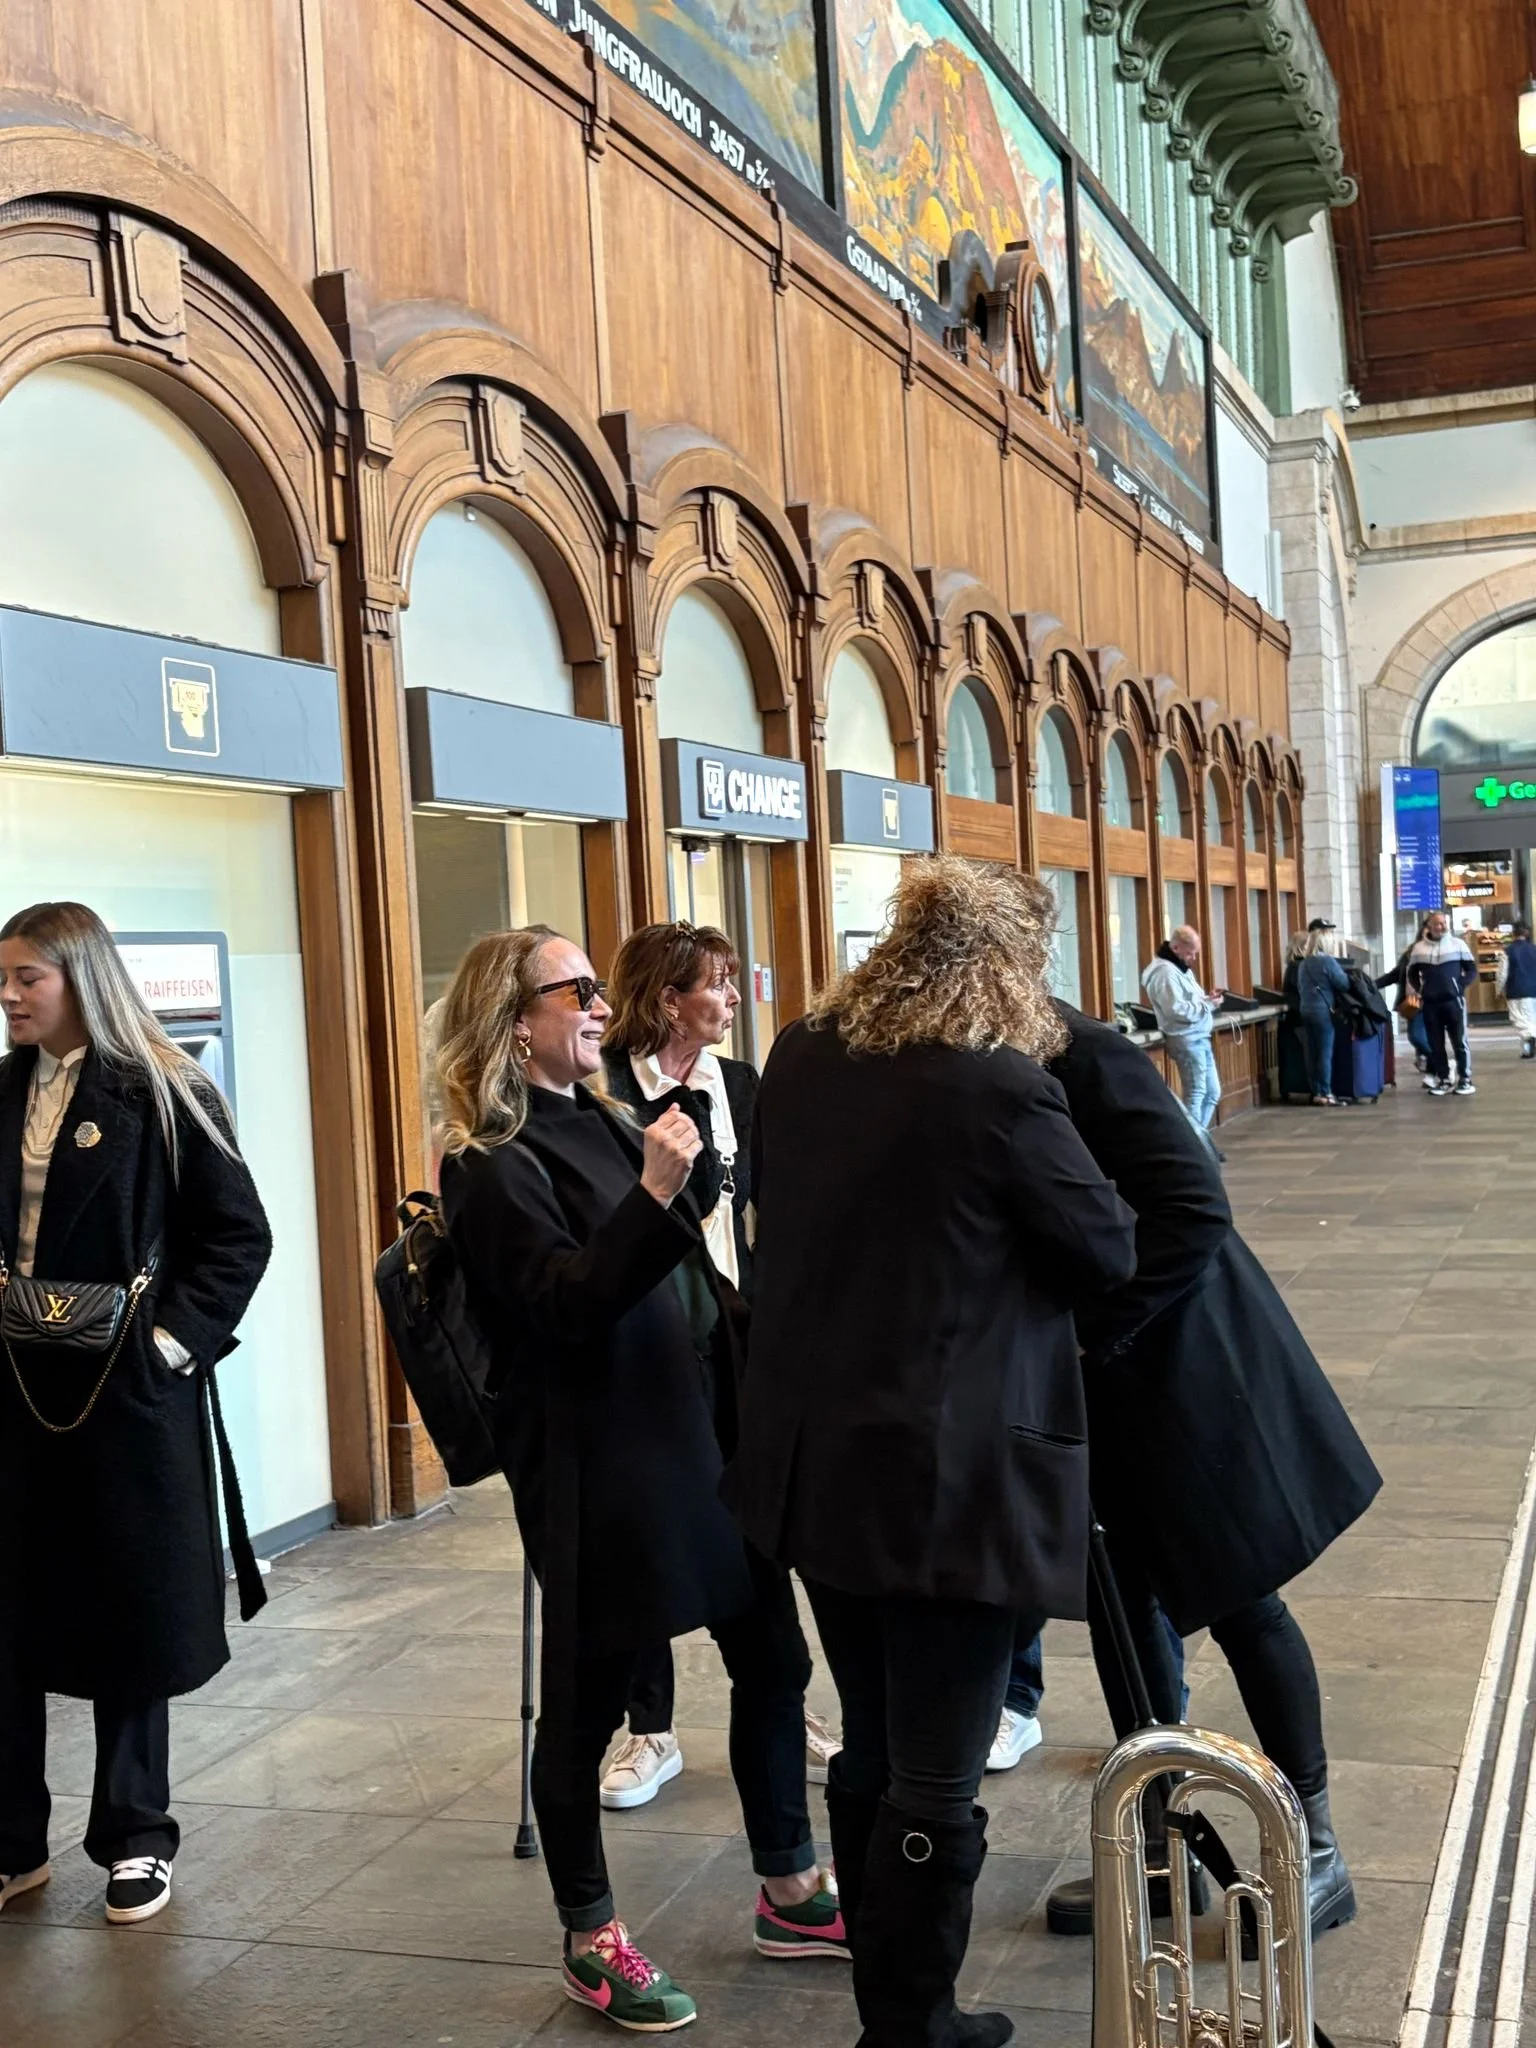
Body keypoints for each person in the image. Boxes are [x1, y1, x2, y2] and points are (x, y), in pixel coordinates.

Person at [728, 856, 1139, 2048]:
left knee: (868, 1736)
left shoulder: (803, 1053)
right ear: (1007, 963)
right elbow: (1107, 1245)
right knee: (936, 1774)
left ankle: (887, 2006)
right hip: (947, 1485)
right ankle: (913, 2024)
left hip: (814, 1468)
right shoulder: (998, 1085)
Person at [437, 927, 842, 2035]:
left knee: (772, 1655)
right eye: (574, 990)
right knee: (583, 1705)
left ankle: (792, 1887)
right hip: (604, 1464)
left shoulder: (606, 1115)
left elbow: (690, 1281)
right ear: (516, 1020)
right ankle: (588, 1932)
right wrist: (660, 1192)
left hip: (702, 1435)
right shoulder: (486, 1160)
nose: (598, 1006)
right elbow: (564, 1305)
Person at [1037, 1001, 1381, 1944]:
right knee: (1126, 1613)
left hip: (1183, 1369)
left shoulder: (1083, 1053)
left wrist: (1087, 1338)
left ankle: (1316, 1848)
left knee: (1241, 1598)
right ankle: (1160, 1853)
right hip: (1106, 1376)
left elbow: (1194, 1208)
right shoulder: (991, 1058)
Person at [0, 901, 272, 1928]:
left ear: (82, 976)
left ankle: (134, 1835)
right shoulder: (3, 1090)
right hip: (15, 1389)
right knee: (10, 1614)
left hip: (124, 1393)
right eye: (6, 979)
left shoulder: (165, 1091)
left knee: (127, 1608)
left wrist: (165, 1346)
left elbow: (237, 1236)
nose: (10, 995)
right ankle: (10, 1842)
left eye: (28, 977)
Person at [596, 919, 842, 1813]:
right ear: (669, 998)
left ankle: (787, 1702)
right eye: (717, 984)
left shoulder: (741, 1082)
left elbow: (770, 1205)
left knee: (759, 1516)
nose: (734, 999)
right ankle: (649, 1725)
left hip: (743, 1337)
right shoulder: (608, 1093)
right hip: (649, 1338)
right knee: (648, 1528)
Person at [1141, 925, 1223, 1128]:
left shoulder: (1180, 968)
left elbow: (1189, 1001)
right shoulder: (1165, 973)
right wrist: (1208, 1005)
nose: (1193, 958)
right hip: (1186, 1039)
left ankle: (1201, 1143)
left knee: (1212, 1093)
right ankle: (1197, 1147)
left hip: (1199, 1036)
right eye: (1190, 953)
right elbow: (1175, 1010)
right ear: (1176, 948)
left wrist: (1206, 999)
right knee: (1196, 1093)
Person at [1408, 911, 1478, 1097]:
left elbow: (1471, 969)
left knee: (1459, 1042)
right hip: (1431, 1004)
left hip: (1453, 1001)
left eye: (1444, 923)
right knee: (1435, 1043)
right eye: (1437, 924)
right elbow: (1412, 972)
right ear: (1429, 926)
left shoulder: (1458, 944)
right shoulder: (1419, 948)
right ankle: (1444, 1079)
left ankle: (1465, 1079)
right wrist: (1421, 990)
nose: (1442, 927)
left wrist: (1460, 986)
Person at [1295, 928, 1352, 1106]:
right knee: (1325, 1053)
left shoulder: (1303, 964)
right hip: (1323, 1012)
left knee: (1312, 1053)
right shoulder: (1327, 961)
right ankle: (1327, 1093)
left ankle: (1316, 1091)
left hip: (1305, 1010)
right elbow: (1343, 984)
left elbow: (1299, 987)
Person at [1377, 918, 1433, 1071]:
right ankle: (1434, 1069)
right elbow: (1395, 975)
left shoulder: (1440, 952)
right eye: (1425, 930)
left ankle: (1440, 1064)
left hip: (1431, 1001)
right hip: (1412, 1002)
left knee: (1417, 1036)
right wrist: (1371, 985)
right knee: (1418, 1036)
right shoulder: (1410, 953)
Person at [1499, 921, 1536, 1058]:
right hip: (1534, 990)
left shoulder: (1508, 951)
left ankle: (1530, 1042)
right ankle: (1529, 1045)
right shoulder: (1534, 948)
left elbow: (1502, 973)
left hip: (1516, 990)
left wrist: (1499, 990)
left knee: (1520, 1019)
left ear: (1514, 933)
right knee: (1532, 1018)